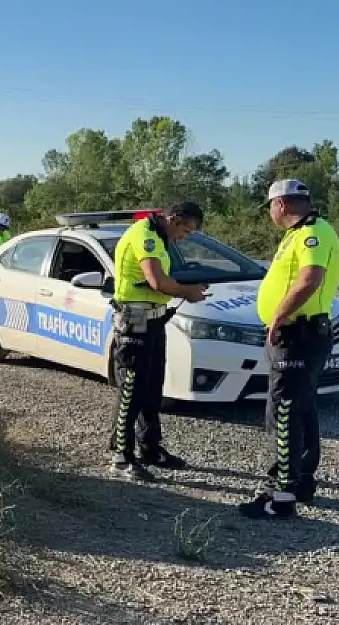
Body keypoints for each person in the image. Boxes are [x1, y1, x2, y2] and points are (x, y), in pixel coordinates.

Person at [238, 179, 339, 519]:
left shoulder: (314, 232)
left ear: (280, 204)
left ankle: (279, 495)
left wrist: (278, 317)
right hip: (299, 334)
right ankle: (300, 482)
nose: (270, 213)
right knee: (301, 409)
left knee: (283, 413)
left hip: (298, 335)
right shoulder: (296, 234)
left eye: (270, 206)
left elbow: (310, 279)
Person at [108, 201, 209, 481]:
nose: (185, 237)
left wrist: (187, 286)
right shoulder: (145, 235)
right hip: (135, 319)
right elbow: (157, 281)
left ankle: (149, 447)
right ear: (174, 220)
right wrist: (187, 291)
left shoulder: (159, 237)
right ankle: (120, 455)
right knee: (131, 388)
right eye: (186, 230)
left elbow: (163, 281)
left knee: (152, 387)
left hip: (154, 319)